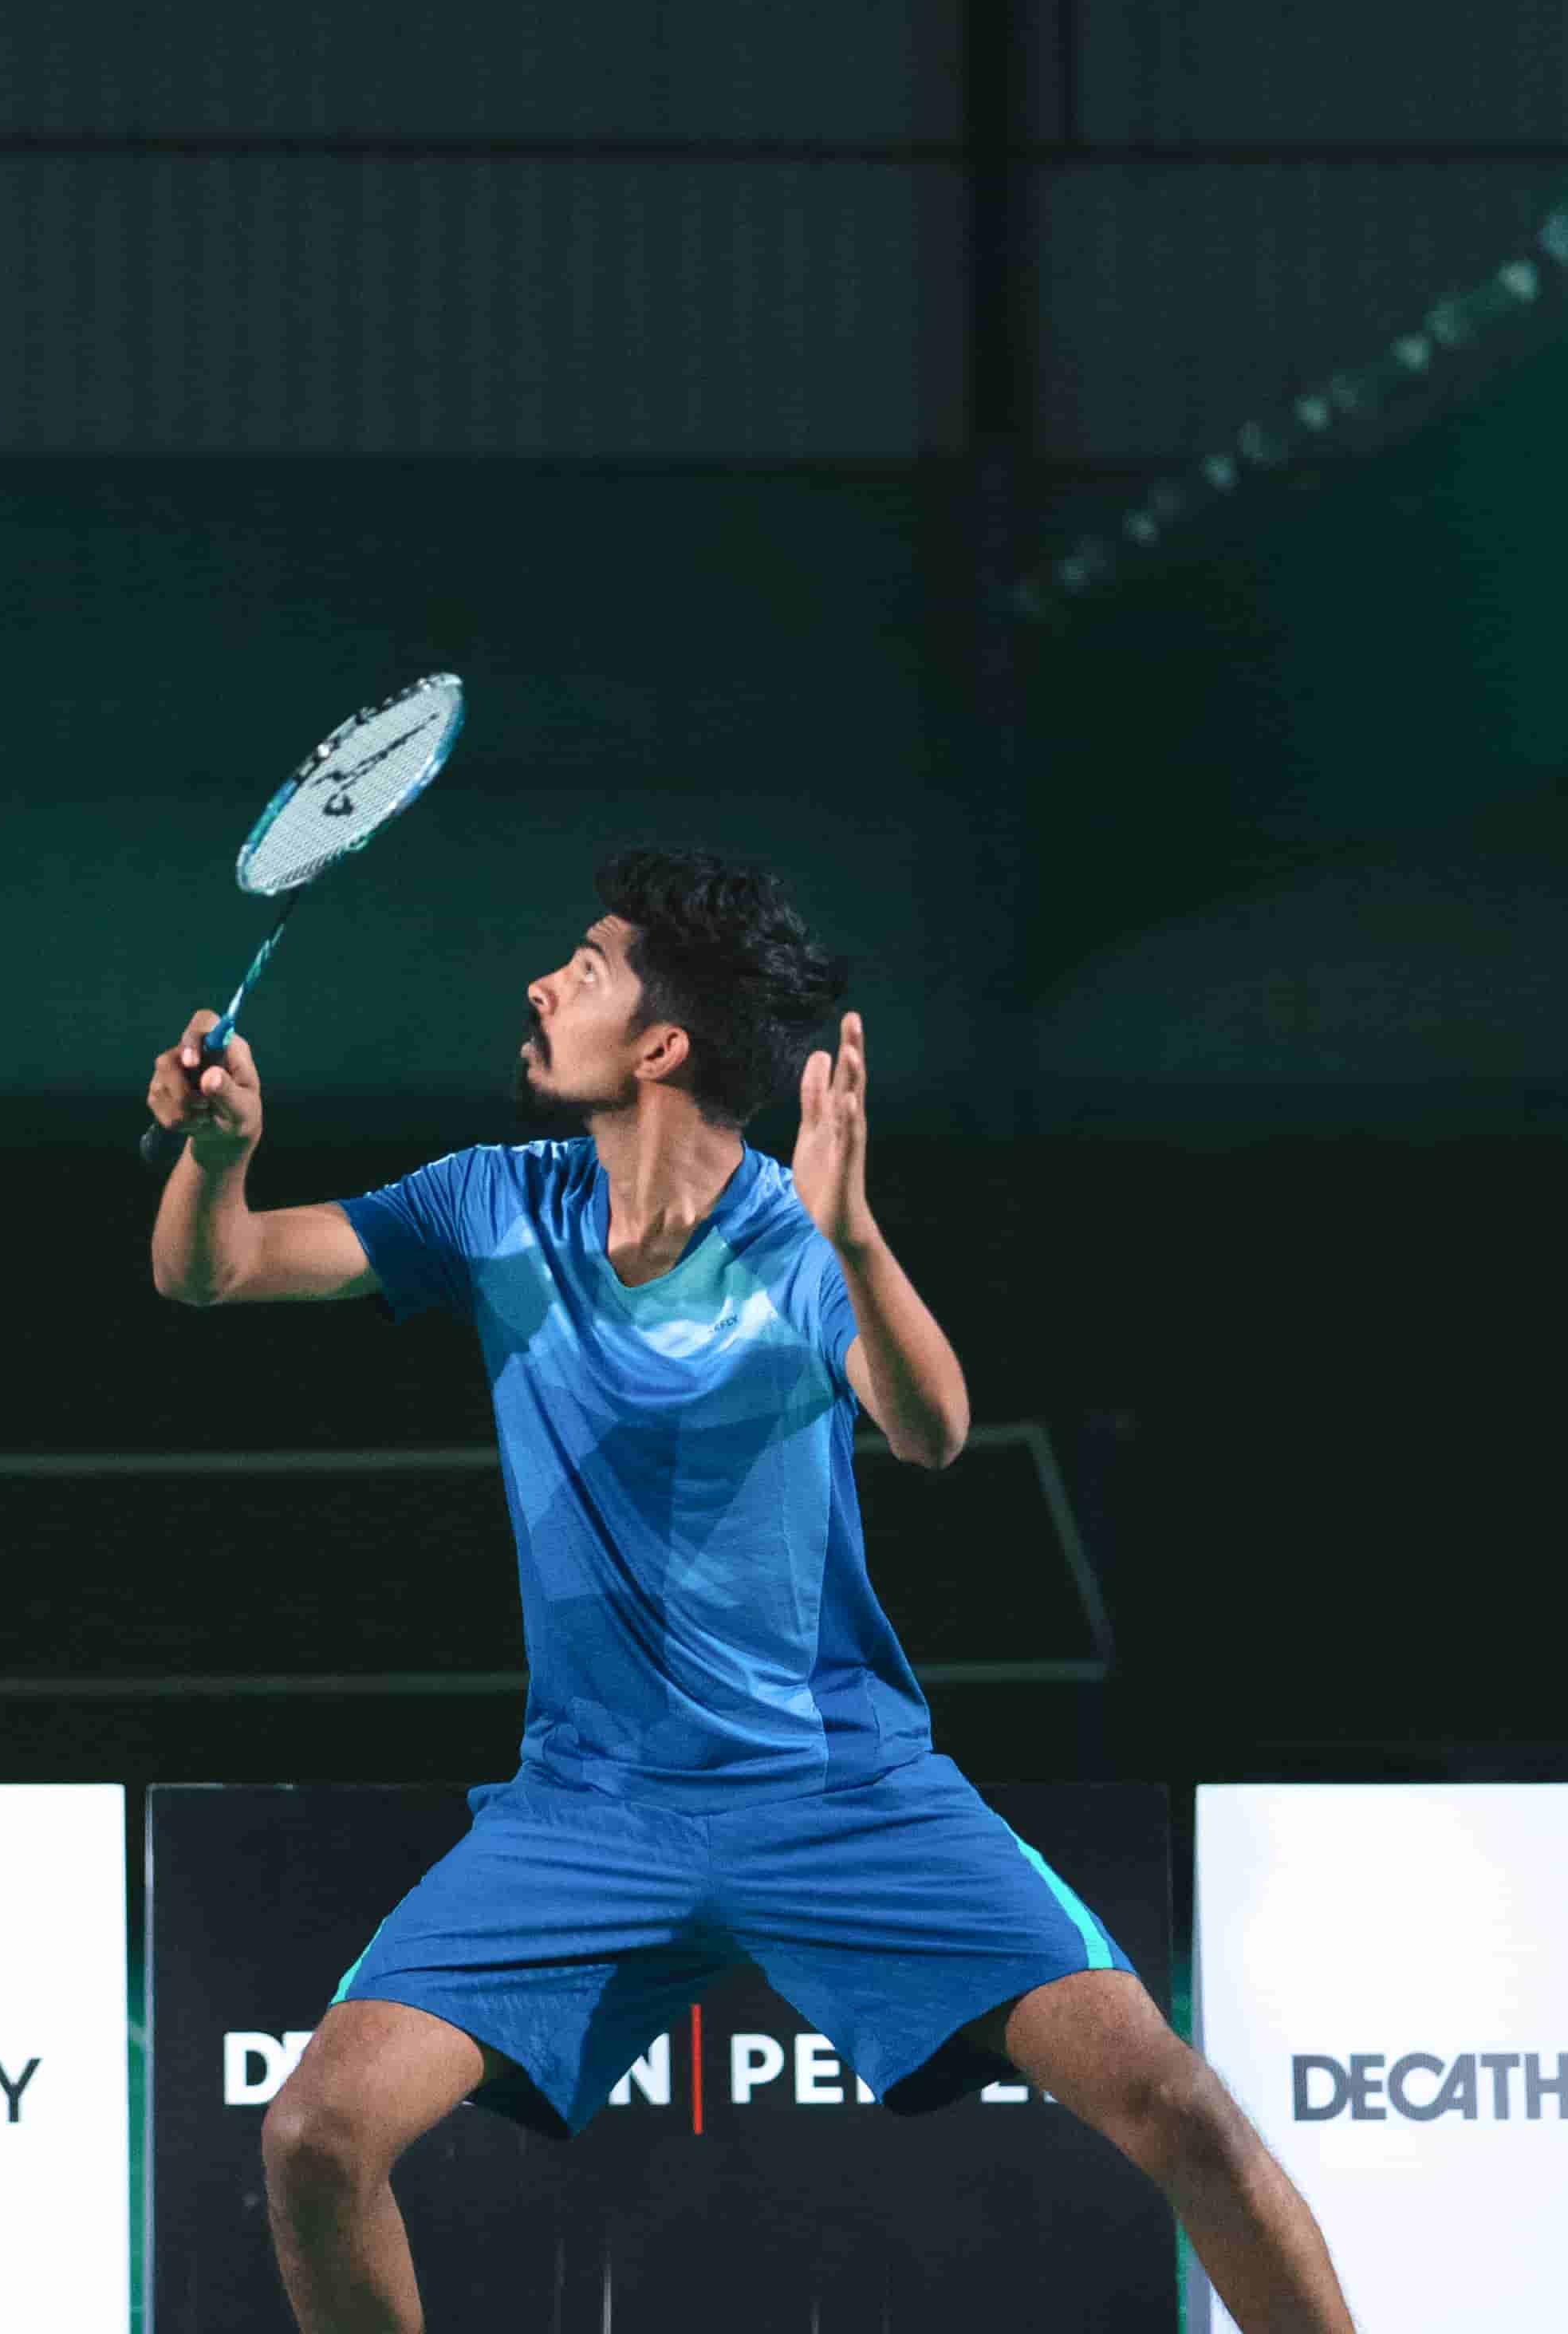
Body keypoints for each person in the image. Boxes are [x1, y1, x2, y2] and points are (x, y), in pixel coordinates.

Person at [144, 845, 1354, 2332]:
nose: (541, 984)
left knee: (1179, 2108)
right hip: (588, 1811)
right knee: (316, 2135)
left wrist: (857, 1235)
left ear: (660, 1046)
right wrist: (217, 1159)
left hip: (843, 1792)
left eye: (584, 968)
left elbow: (931, 1428)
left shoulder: (794, 1238)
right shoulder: (492, 1205)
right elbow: (213, 1271)